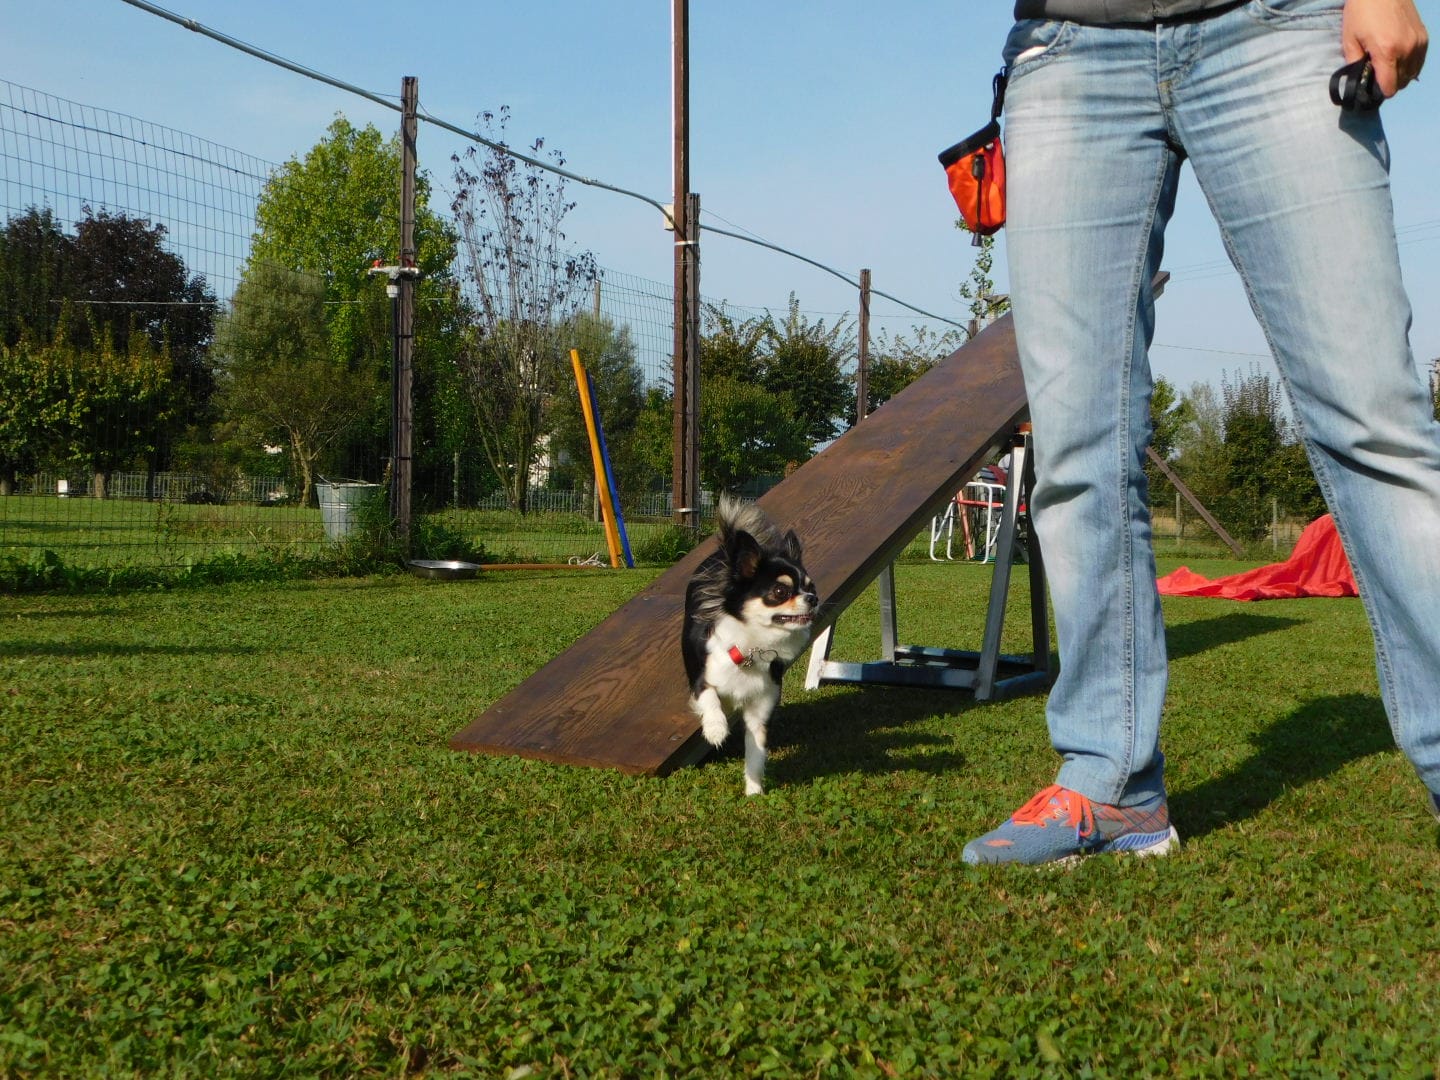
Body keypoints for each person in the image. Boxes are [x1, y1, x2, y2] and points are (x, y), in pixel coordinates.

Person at [962, 0, 1436, 865]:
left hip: (1279, 24)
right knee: (1076, 453)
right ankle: (1113, 786)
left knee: (1373, 424)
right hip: (1065, 47)